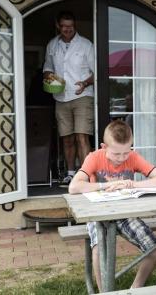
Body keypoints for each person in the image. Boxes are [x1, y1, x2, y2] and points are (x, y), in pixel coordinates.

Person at [68, 120, 156, 291]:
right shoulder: (94, 157)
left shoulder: (133, 157)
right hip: (98, 212)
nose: (122, 158)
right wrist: (104, 185)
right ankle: (104, 292)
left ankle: (135, 289)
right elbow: (74, 187)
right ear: (104, 146)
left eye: (126, 152)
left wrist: (133, 184)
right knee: (99, 250)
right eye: (116, 154)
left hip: (125, 213)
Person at [43, 11, 95, 186]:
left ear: (75, 26)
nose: (67, 29)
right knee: (67, 137)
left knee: (82, 135)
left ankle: (86, 174)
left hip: (82, 95)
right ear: (58, 25)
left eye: (71, 26)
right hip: (61, 96)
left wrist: (86, 83)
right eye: (64, 26)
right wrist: (50, 77)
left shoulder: (86, 45)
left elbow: (98, 71)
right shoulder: (52, 45)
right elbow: (48, 67)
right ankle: (71, 174)